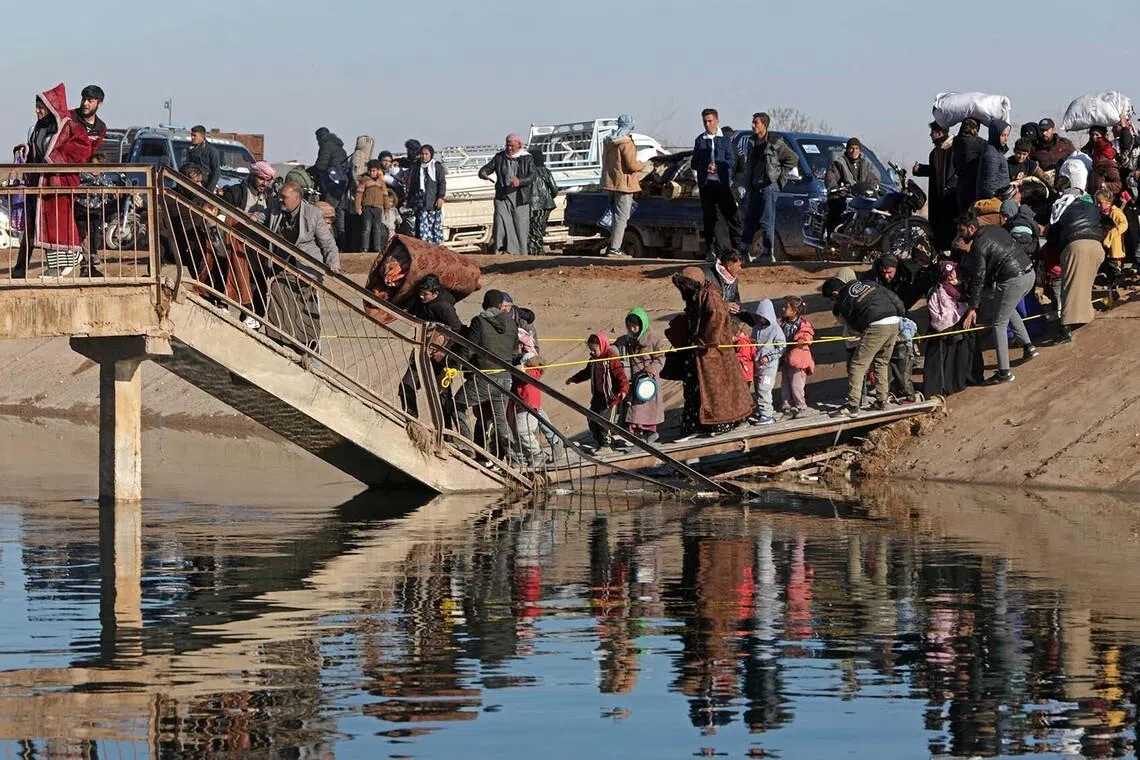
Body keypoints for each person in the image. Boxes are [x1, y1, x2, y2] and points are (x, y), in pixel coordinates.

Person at [14, 84, 92, 278]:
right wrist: (26, 149)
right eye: (37, 106)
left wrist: (55, 157)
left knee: (56, 226)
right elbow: (37, 150)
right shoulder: (39, 128)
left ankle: (59, 266)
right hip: (40, 185)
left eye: (41, 107)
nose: (37, 110)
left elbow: (82, 149)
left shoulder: (70, 128)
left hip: (59, 186)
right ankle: (22, 268)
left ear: (51, 108)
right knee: (36, 226)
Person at [670, 267, 753, 440]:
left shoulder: (710, 295)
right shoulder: (695, 294)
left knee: (716, 390)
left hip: (713, 354)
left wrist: (705, 341)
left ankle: (720, 423)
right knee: (693, 388)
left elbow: (718, 317)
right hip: (697, 353)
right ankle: (693, 426)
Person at [956, 210, 1038, 384]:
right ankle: (1028, 346)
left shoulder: (979, 245)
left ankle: (1004, 372)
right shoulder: (994, 229)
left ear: (971, 228)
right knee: (1006, 310)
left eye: (962, 231)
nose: (961, 236)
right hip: (1029, 273)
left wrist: (972, 307)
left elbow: (979, 277)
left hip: (1013, 279)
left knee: (998, 323)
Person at [264, 182, 341, 352]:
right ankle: (277, 343)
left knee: (306, 309)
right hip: (282, 267)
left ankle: (309, 348)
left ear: (297, 198)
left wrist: (333, 263)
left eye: (284, 197)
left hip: (306, 270)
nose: (280, 199)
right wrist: (254, 217)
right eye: (280, 196)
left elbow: (327, 242)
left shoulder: (313, 214)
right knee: (279, 298)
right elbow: (265, 217)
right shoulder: (276, 207)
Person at [821, 276, 905, 417]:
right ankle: (882, 401)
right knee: (882, 362)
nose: (832, 302)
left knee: (857, 365)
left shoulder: (843, 300)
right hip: (894, 320)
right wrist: (901, 316)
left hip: (876, 324)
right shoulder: (868, 282)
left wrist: (866, 333)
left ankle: (853, 406)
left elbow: (854, 325)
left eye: (831, 299)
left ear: (835, 293)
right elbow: (893, 297)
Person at [453, 289, 519, 462]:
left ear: (484, 304)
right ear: (500, 305)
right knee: (500, 420)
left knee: (456, 404)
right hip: (506, 378)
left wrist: (455, 365)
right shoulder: (512, 324)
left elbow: (469, 348)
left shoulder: (479, 321)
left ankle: (467, 445)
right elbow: (514, 352)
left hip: (485, 377)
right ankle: (515, 459)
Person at [1048, 167, 1102, 344]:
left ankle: (1065, 330)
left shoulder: (1060, 206)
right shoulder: (1089, 203)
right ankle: (1083, 317)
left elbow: (1054, 233)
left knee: (1069, 287)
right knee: (1084, 284)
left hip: (1076, 246)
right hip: (1097, 246)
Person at [740, 112, 798, 262]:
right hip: (754, 186)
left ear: (764, 125)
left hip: (769, 187)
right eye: (753, 122)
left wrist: (780, 178)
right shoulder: (752, 142)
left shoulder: (774, 142)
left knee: (767, 220)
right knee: (750, 220)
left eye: (756, 123)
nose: (753, 125)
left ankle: (768, 252)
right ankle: (743, 251)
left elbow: (792, 158)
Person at [567, 333, 630, 453]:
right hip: (598, 396)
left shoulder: (611, 358)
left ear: (602, 345)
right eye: (591, 349)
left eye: (594, 349)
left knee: (604, 422)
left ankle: (606, 446)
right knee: (591, 418)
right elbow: (586, 373)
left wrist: (623, 390)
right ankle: (600, 442)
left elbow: (621, 376)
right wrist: (574, 379)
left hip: (611, 397)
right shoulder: (593, 360)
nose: (592, 352)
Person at [692, 108, 742, 260]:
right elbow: (694, 162)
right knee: (711, 219)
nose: (707, 124)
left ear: (717, 121)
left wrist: (718, 166)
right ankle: (713, 251)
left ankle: (738, 251)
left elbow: (731, 161)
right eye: (705, 121)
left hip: (723, 185)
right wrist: (705, 166)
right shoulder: (700, 140)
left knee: (733, 217)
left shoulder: (725, 140)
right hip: (707, 185)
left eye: (710, 121)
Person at [923, 260, 978, 397]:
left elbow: (970, 299)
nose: (951, 276)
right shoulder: (937, 292)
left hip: (963, 326)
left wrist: (970, 311)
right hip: (945, 332)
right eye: (947, 274)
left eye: (952, 272)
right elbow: (938, 316)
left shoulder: (964, 284)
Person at [614, 306, 666, 444]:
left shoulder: (654, 340)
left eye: (635, 326)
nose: (632, 329)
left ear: (642, 324)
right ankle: (640, 436)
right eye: (629, 326)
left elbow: (661, 358)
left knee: (644, 410)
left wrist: (651, 369)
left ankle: (648, 435)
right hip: (634, 381)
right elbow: (616, 346)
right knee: (634, 410)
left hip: (648, 382)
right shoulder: (628, 340)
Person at [479, 134, 535, 255]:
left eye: (511, 145)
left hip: (520, 198)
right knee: (500, 223)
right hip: (502, 197)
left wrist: (520, 181)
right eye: (507, 144)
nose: (509, 147)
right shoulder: (499, 157)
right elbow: (487, 168)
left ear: (519, 144)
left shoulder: (527, 158)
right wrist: (483, 173)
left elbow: (532, 176)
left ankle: (520, 254)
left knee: (520, 226)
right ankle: (500, 251)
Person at [599, 114, 644, 257]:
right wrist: (642, 165)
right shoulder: (626, 143)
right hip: (624, 185)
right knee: (621, 218)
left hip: (611, 183)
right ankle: (615, 249)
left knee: (614, 216)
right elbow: (631, 165)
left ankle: (612, 246)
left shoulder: (608, 142)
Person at [913, 121, 959, 253]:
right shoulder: (936, 152)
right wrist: (919, 169)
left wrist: (949, 188)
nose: (930, 135)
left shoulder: (954, 149)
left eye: (932, 132)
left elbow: (956, 173)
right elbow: (935, 172)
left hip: (949, 199)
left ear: (939, 133)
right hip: (937, 199)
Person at [825, 137, 880, 234]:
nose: (854, 151)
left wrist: (874, 185)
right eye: (851, 148)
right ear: (847, 149)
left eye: (856, 148)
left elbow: (872, 178)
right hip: (844, 194)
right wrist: (833, 186)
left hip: (861, 196)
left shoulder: (866, 164)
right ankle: (831, 236)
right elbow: (831, 176)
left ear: (860, 150)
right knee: (836, 205)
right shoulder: (839, 162)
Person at [512, 354, 557, 467]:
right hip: (523, 406)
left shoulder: (533, 372)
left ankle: (538, 454)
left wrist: (519, 369)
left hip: (528, 407)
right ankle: (527, 457)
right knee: (519, 433)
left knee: (523, 431)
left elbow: (525, 376)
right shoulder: (531, 372)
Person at [748, 299, 784, 426]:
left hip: (769, 367)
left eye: (762, 316)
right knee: (758, 390)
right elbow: (753, 343)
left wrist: (767, 358)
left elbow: (781, 347)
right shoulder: (756, 328)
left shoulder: (776, 329)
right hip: (757, 366)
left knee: (765, 388)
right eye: (759, 316)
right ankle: (765, 411)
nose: (760, 319)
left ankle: (766, 415)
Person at [778, 296, 815, 417]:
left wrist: (801, 338)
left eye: (787, 307)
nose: (783, 308)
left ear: (795, 310)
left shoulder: (803, 323)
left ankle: (801, 406)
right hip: (785, 358)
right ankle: (786, 406)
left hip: (798, 359)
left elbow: (807, 334)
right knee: (785, 384)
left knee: (796, 384)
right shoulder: (782, 322)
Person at [310, 127, 349, 238]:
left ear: (319, 137)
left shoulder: (325, 145)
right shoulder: (340, 147)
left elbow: (321, 165)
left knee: (326, 214)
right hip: (342, 184)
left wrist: (310, 171)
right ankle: (342, 243)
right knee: (339, 215)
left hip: (330, 186)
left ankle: (328, 241)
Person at [406, 144, 447, 245]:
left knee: (434, 225)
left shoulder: (437, 166)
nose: (424, 156)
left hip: (433, 200)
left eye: (426, 154)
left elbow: (442, 183)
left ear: (431, 154)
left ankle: (436, 246)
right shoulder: (416, 166)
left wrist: (440, 197)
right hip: (420, 201)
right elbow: (412, 184)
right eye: (422, 154)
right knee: (422, 225)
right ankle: (425, 246)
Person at [353, 159, 397, 253]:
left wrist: (386, 208)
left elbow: (385, 195)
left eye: (374, 171)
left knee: (377, 228)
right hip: (367, 207)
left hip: (378, 208)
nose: (372, 173)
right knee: (366, 228)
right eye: (370, 170)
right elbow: (359, 194)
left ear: (378, 171)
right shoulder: (364, 180)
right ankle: (365, 247)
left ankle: (377, 247)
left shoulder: (381, 182)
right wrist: (358, 207)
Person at [1095, 188, 1128, 301]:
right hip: (1103, 247)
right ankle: (1110, 295)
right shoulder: (1099, 214)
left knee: (1115, 271)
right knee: (1107, 271)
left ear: (1108, 202)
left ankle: (1116, 294)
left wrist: (1112, 233)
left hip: (1114, 248)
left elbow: (1124, 224)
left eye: (1100, 202)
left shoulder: (1116, 213)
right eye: (1097, 203)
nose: (1098, 205)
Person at [527, 147, 559, 255]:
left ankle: (535, 252)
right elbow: (555, 189)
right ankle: (539, 251)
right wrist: (548, 198)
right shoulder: (546, 171)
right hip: (546, 205)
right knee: (540, 229)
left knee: (533, 230)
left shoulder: (526, 172)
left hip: (533, 205)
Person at [952, 119, 987, 208]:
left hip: (961, 184)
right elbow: (1000, 149)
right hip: (974, 184)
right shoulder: (978, 143)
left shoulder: (956, 141)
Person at [978, 120, 1011, 199]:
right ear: (995, 135)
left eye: (1007, 135)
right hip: (995, 199)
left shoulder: (997, 152)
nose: (1006, 139)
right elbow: (989, 183)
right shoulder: (992, 155)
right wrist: (995, 199)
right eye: (1003, 135)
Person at [72, 85, 107, 158]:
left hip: (84, 167)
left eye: (90, 101)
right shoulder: (69, 117)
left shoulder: (101, 127)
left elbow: (94, 152)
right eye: (83, 99)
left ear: (99, 104)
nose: (85, 103)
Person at [187, 125, 222, 193]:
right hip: (192, 185)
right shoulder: (192, 150)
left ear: (202, 136)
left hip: (205, 187)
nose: (192, 137)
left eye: (194, 135)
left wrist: (209, 190)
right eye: (191, 135)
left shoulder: (211, 151)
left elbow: (216, 172)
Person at [733, 321, 756, 389]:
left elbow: (744, 355)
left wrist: (733, 356)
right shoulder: (740, 341)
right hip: (745, 371)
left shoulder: (743, 342)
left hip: (745, 371)